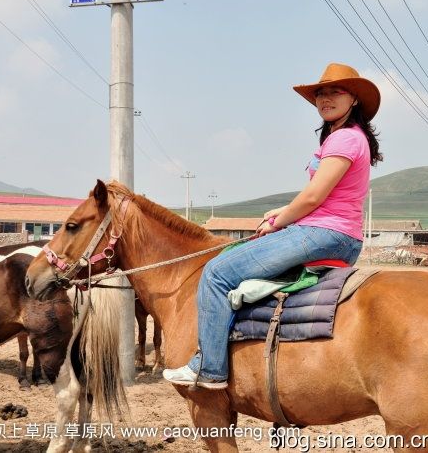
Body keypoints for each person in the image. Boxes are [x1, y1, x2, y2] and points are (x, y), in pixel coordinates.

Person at [163, 63, 383, 389]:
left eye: (336, 91)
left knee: (216, 273)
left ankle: (209, 369)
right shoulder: (346, 137)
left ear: (354, 100)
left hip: (325, 233)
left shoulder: (345, 139)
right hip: (334, 231)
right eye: (321, 93)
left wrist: (278, 222)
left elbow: (313, 197)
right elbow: (320, 197)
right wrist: (279, 212)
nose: (325, 98)